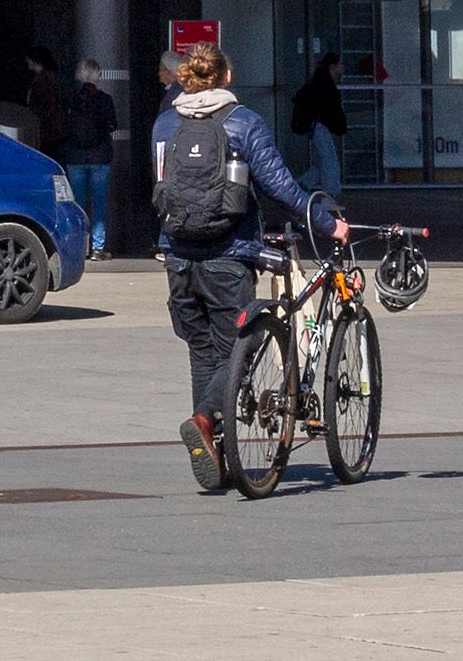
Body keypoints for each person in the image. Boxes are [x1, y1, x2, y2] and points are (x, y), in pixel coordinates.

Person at [152, 40, 342, 494]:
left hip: (177, 255)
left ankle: (213, 451)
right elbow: (281, 188)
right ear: (227, 77)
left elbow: (160, 187)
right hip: (228, 254)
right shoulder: (242, 123)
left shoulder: (164, 124)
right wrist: (326, 222)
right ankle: (202, 421)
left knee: (204, 352)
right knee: (248, 342)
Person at [65, 60, 120, 256]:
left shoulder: (70, 98)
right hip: (100, 156)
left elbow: (64, 125)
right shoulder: (105, 99)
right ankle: (98, 247)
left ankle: (81, 246)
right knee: (99, 203)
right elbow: (112, 125)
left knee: (78, 203)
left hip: (75, 156)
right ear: (96, 75)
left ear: (79, 74)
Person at [288, 59, 351, 200]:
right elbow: (330, 110)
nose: (342, 68)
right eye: (340, 65)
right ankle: (329, 196)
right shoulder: (325, 85)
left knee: (321, 163)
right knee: (329, 162)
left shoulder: (318, 83)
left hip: (315, 125)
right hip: (320, 125)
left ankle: (300, 185)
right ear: (333, 66)